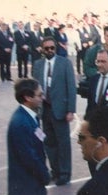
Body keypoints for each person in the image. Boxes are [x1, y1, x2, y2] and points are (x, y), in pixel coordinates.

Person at [32, 36, 77, 185]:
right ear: (42, 50)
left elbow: (71, 87)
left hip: (60, 110)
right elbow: (34, 87)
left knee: (63, 143)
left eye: (52, 48)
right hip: (44, 109)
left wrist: (71, 110)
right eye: (47, 48)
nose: (50, 50)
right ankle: (55, 171)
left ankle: (65, 173)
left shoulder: (65, 64)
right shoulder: (38, 65)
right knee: (49, 142)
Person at [85, 49, 108, 115]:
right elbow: (90, 104)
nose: (99, 65)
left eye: (103, 62)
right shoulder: (93, 79)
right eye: (98, 61)